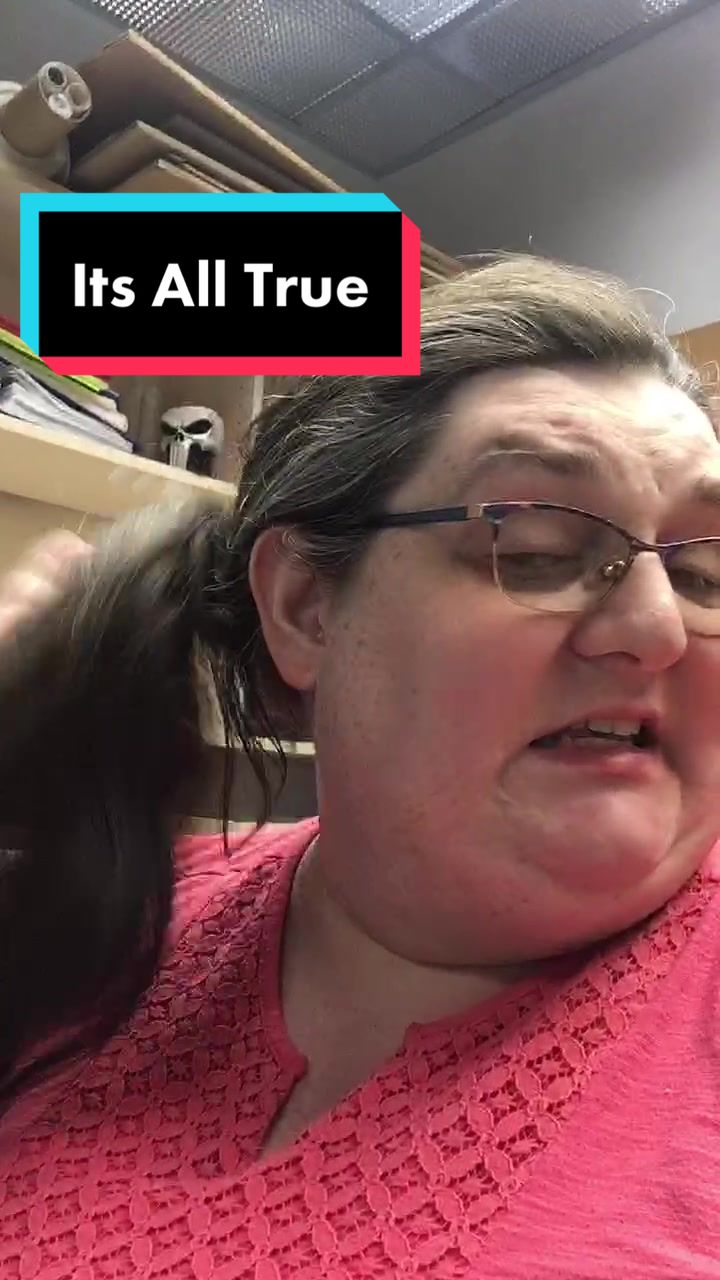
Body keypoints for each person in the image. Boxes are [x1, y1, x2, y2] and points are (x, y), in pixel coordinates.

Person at [1, 254, 720, 1279]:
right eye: (538, 548)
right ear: (305, 607)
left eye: (706, 573)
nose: (656, 627)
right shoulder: (96, 919)